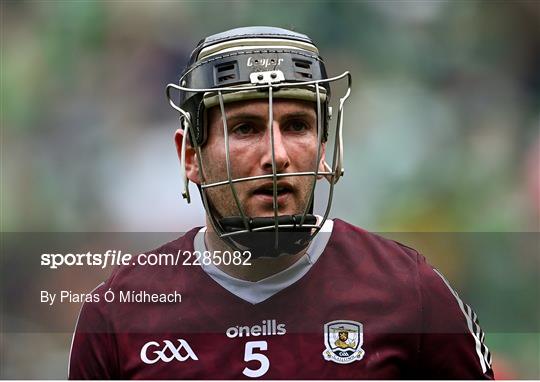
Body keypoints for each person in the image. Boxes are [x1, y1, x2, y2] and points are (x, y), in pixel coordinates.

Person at [69, 26, 494, 379]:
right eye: (246, 128)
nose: (277, 154)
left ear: (323, 148)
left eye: (296, 125)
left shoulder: (409, 293)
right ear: (190, 157)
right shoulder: (117, 316)